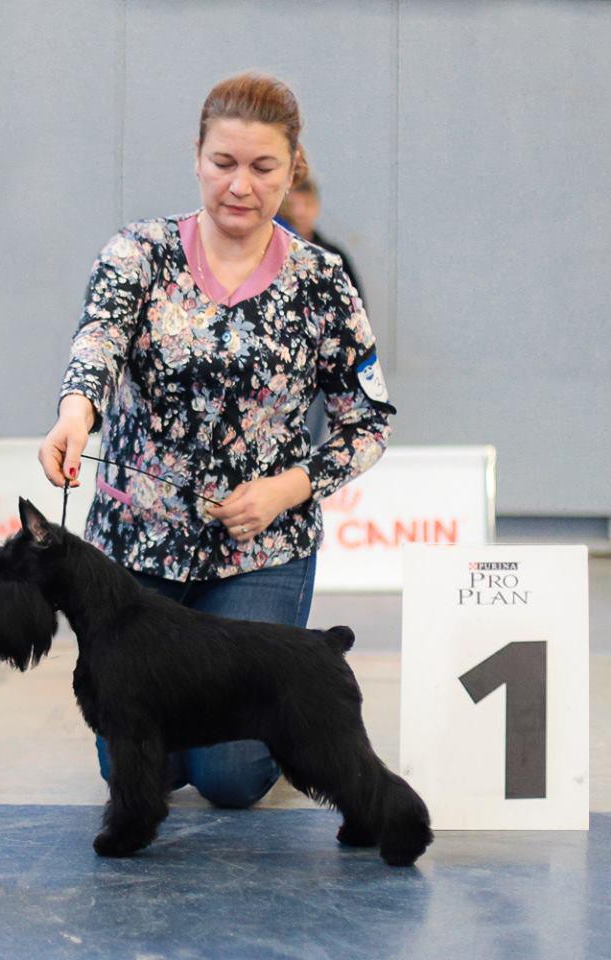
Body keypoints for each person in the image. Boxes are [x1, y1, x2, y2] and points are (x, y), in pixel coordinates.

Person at [38, 72, 396, 810]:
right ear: (196, 158)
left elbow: (368, 422)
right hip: (137, 549)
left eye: (263, 167)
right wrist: (76, 412)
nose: (240, 185)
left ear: (292, 170)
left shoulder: (323, 280)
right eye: (223, 163)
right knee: (142, 762)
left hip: (261, 551)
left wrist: (285, 490)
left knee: (230, 778)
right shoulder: (137, 253)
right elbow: (98, 342)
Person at [280, 174, 365, 304]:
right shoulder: (275, 254)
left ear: (317, 207)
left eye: (307, 204)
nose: (299, 212)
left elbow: (354, 306)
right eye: (291, 205)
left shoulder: (332, 256)